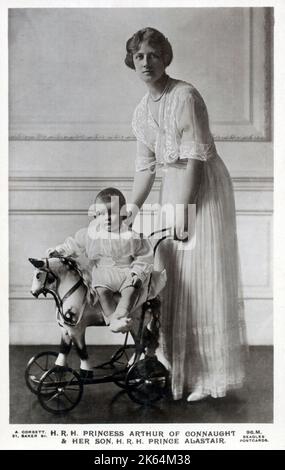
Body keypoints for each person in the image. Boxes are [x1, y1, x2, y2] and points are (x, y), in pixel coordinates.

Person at [125, 27, 247, 401]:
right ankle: (177, 364)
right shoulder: (142, 112)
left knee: (201, 273)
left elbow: (195, 158)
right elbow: (145, 168)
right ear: (132, 61)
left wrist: (184, 211)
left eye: (153, 55)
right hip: (172, 188)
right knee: (173, 276)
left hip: (202, 187)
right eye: (139, 56)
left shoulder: (186, 96)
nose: (146, 62)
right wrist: (131, 208)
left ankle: (209, 376)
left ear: (166, 58)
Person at [47, 187, 154, 333]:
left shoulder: (131, 236)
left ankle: (121, 316)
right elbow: (74, 244)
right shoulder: (91, 234)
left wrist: (137, 273)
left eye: (113, 213)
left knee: (131, 290)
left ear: (123, 215)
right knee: (102, 292)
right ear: (96, 216)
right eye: (102, 214)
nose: (108, 217)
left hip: (126, 271)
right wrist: (59, 251)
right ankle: (113, 321)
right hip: (103, 273)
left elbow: (144, 255)